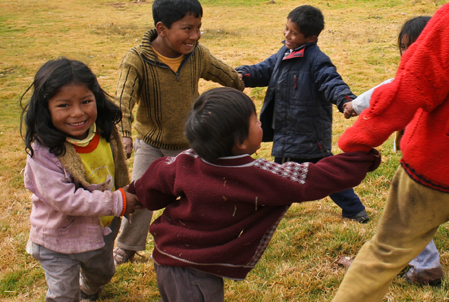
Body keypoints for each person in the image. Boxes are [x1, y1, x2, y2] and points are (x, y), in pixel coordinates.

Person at [127, 87, 380, 302]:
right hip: (194, 274)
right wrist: (361, 159)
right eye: (255, 121)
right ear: (239, 142)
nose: (261, 124)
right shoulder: (255, 174)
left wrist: (129, 197)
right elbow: (314, 178)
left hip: (169, 259)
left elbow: (151, 185)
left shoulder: (185, 161)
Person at [113, 0, 244, 265]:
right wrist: (124, 134)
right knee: (140, 194)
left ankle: (196, 242)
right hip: (150, 144)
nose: (194, 36)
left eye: (198, 28)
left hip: (191, 144)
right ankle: (126, 246)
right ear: (161, 28)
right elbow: (123, 100)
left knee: (200, 196)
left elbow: (226, 75)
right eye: (187, 29)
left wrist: (241, 83)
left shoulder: (198, 54)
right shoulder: (136, 60)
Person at [332, 3, 449, 301]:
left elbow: (408, 87)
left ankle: (424, 266)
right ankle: (426, 265)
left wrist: (357, 142)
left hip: (433, 170)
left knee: (385, 251)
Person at [20, 58, 141, 301]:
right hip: (58, 241)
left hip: (102, 231)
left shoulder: (104, 131)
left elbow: (116, 171)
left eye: (86, 101)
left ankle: (89, 290)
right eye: (64, 105)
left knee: (103, 274)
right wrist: (117, 201)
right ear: (45, 108)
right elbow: (66, 200)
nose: (78, 112)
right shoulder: (44, 153)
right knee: (63, 294)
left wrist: (126, 191)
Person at [236, 5, 369, 224]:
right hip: (288, 132)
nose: (287, 34)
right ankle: (352, 209)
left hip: (308, 133)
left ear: (311, 38)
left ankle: (354, 209)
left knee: (313, 176)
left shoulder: (316, 60)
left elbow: (331, 81)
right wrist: (243, 74)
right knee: (293, 175)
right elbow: (265, 69)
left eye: (293, 32)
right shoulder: (284, 53)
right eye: (286, 29)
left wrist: (345, 100)